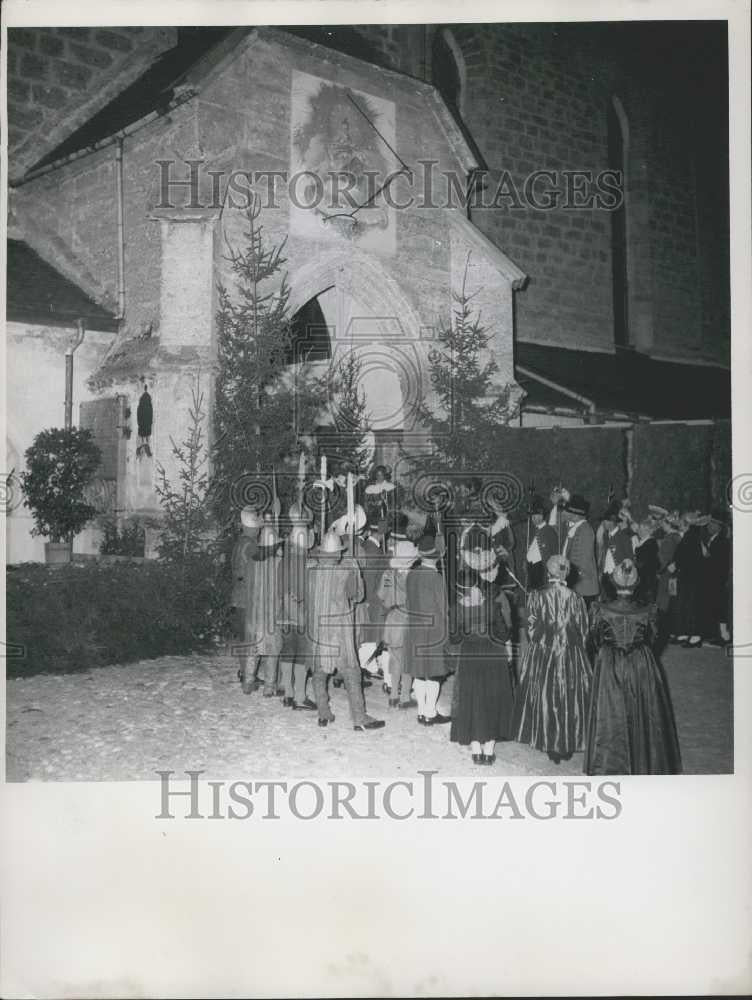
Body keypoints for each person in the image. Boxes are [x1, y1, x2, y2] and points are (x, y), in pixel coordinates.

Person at [585, 559, 682, 775]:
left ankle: (608, 763)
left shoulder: (598, 609)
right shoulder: (650, 610)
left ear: (613, 582)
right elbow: (655, 640)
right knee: (644, 710)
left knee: (610, 712)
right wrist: (639, 652)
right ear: (637, 583)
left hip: (610, 662)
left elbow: (592, 641)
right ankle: (644, 759)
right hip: (641, 662)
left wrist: (607, 653)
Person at [511, 555, 592, 764]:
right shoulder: (576, 598)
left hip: (544, 652)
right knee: (569, 695)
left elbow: (531, 629)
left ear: (548, 572)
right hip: (570, 653)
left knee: (545, 693)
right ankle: (566, 741)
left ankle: (547, 739)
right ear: (567, 573)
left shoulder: (537, 595)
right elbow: (584, 632)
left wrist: (543, 641)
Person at [306, 529, 385, 731]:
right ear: (339, 553)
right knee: (351, 673)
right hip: (339, 632)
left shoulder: (311, 571)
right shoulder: (347, 570)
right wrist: (355, 570)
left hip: (318, 630)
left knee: (319, 672)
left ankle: (323, 713)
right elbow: (358, 596)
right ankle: (359, 717)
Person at [449, 570, 514, 765]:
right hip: (493, 655)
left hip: (470, 656)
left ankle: (476, 751)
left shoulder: (457, 608)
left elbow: (454, 638)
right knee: (492, 700)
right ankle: (489, 751)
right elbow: (503, 634)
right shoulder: (492, 606)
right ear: (478, 584)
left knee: (472, 699)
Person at [405, 535, 451, 726]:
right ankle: (431, 713)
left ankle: (422, 711)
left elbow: (407, 602)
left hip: (414, 627)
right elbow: (444, 607)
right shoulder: (437, 578)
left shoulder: (411, 574)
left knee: (419, 671)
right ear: (437, 557)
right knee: (433, 672)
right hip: (433, 630)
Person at [377, 519, 419, 709]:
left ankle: (393, 694)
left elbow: (381, 595)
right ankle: (404, 698)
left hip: (392, 619)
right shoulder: (414, 577)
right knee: (407, 660)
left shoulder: (387, 574)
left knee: (394, 658)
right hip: (407, 620)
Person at [241, 520, 284, 698]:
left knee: (254, 649)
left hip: (254, 612)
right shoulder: (278, 563)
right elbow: (282, 590)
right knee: (272, 651)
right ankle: (269, 686)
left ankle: (248, 682)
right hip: (271, 613)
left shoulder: (252, 562)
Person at [278, 518, 316, 711]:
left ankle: (288, 694)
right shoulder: (308, 564)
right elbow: (310, 592)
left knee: (287, 653)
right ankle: (300, 696)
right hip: (301, 614)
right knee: (301, 655)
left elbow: (278, 589)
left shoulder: (283, 561)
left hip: (284, 614)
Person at [232, 507, 264, 693]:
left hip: (238, 595)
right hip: (248, 596)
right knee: (250, 637)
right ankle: (247, 674)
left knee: (244, 637)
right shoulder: (251, 545)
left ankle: (245, 671)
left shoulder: (240, 542)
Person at [672, 512, 707, 648]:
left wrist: (676, 563)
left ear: (686, 524)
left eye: (681, 522)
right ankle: (686, 633)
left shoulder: (691, 537)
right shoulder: (690, 536)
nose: (679, 524)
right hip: (688, 576)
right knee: (687, 605)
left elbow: (683, 557)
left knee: (691, 606)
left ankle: (695, 636)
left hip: (691, 577)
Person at [561, 494, 599, 606]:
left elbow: (583, 561)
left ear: (575, 515)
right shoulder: (576, 528)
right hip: (574, 583)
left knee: (581, 620)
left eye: (568, 511)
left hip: (583, 586)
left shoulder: (585, 530)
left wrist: (570, 578)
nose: (565, 513)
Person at [702, 510, 731, 646]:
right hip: (713, 580)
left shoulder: (721, 541)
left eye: (711, 524)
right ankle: (718, 635)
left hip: (717, 580)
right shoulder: (714, 539)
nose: (708, 526)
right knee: (715, 608)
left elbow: (718, 562)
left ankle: (722, 637)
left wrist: (707, 555)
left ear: (718, 526)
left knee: (719, 609)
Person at [525, 495, 559, 589]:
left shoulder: (548, 530)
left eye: (536, 516)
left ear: (542, 516)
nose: (533, 518)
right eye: (532, 516)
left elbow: (554, 551)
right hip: (532, 567)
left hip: (541, 568)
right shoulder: (535, 530)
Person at [632, 519, 660, 605]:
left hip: (647, 580)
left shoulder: (650, 543)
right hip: (643, 579)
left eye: (641, 529)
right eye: (639, 529)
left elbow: (642, 562)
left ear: (647, 531)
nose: (638, 531)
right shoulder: (644, 541)